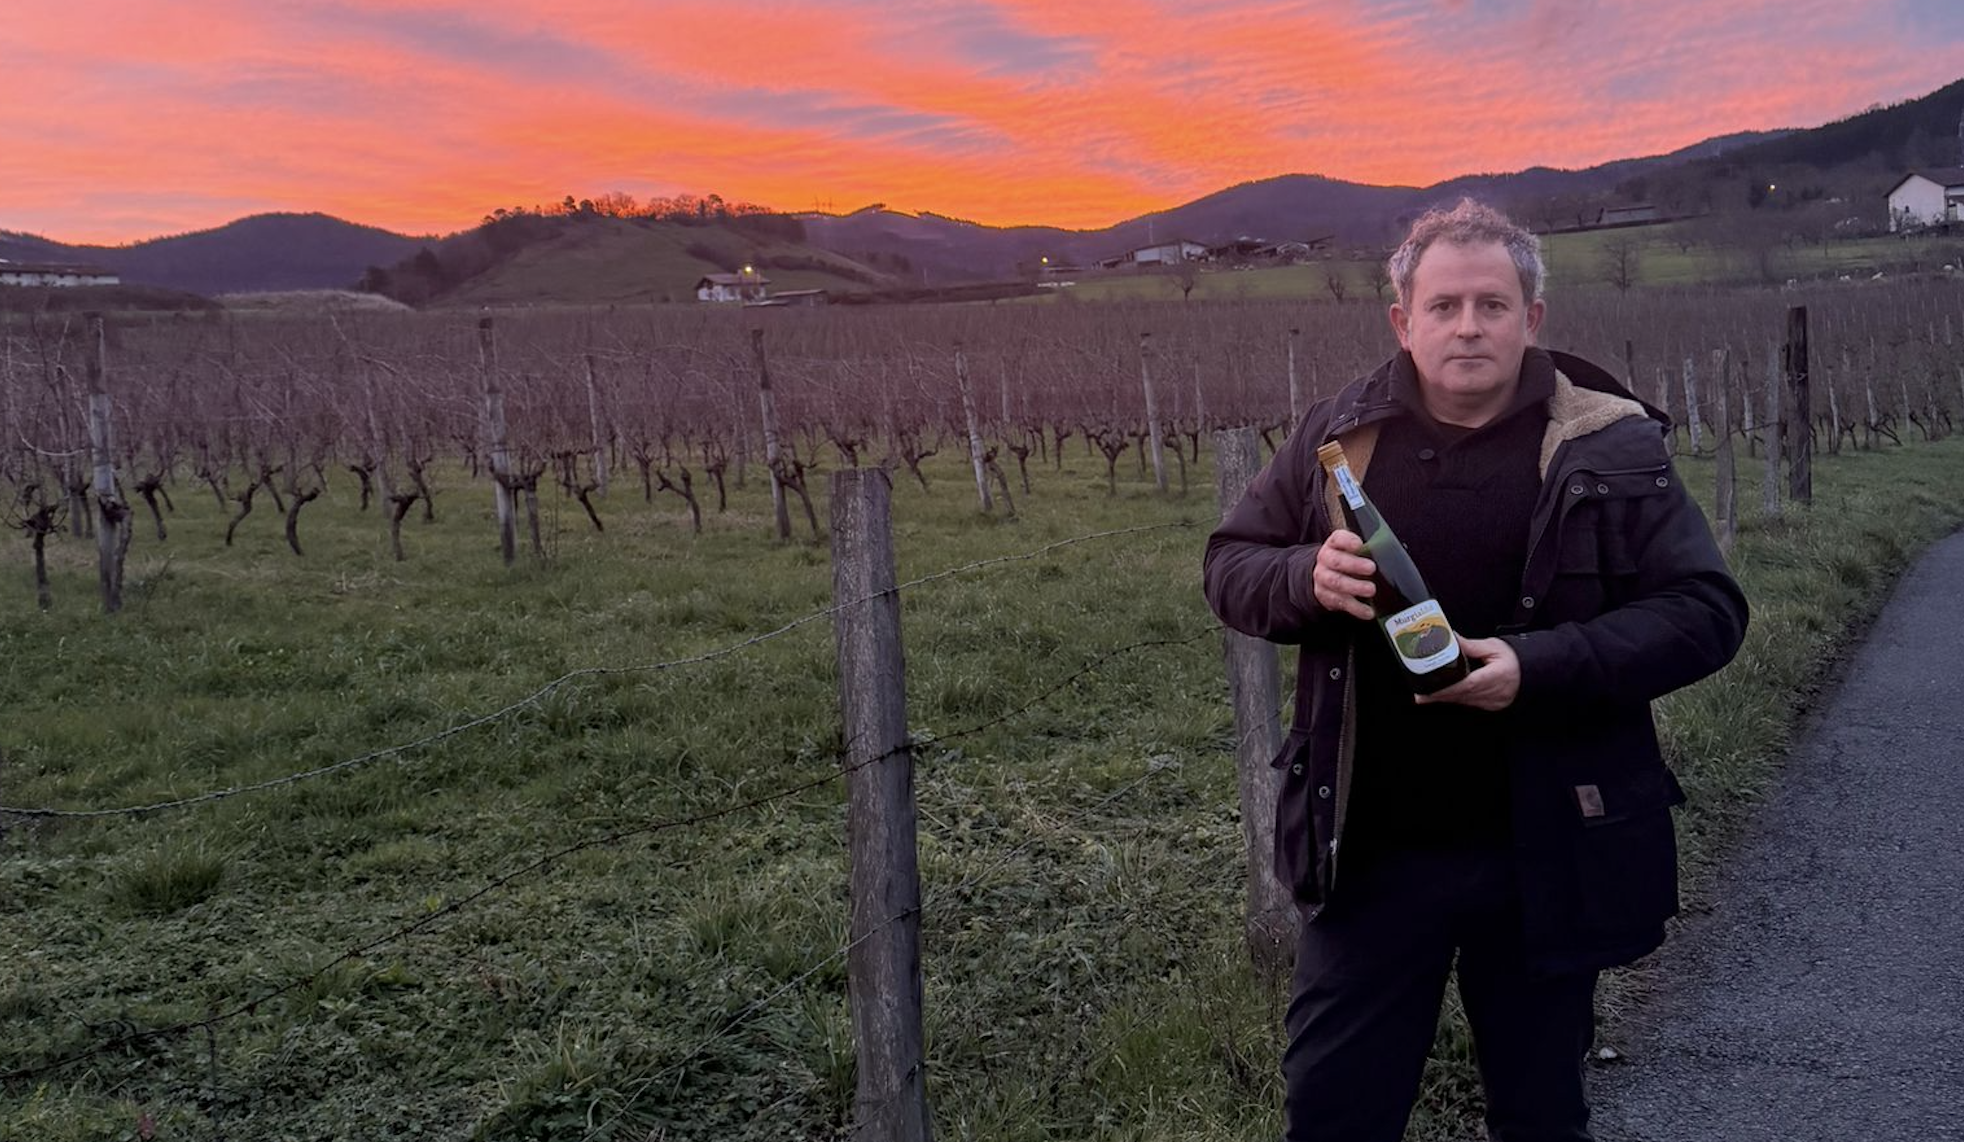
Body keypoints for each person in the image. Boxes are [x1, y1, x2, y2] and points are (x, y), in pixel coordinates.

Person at [1202, 199, 1748, 1142]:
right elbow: (1229, 565)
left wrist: (1535, 668)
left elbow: (1706, 613)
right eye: (1444, 306)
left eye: (1491, 305)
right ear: (1402, 321)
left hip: (1548, 850)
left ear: (1530, 318)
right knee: (1332, 1112)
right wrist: (1304, 577)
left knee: (1540, 1115)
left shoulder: (1610, 445)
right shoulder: (1337, 440)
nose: (1467, 327)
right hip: (1369, 854)